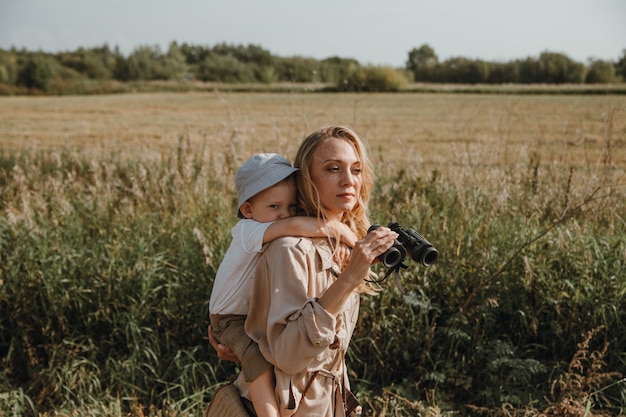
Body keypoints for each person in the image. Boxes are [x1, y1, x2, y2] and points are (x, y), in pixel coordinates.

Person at [212, 126, 399, 416]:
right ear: (306, 181)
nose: (349, 181)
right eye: (333, 169)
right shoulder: (289, 249)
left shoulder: (341, 245)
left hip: (328, 403)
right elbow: (290, 356)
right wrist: (350, 277)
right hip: (290, 407)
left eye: (357, 169)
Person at [208, 152, 358, 417]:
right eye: (275, 207)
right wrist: (340, 230)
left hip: (240, 315)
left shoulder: (266, 226)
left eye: (291, 206)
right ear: (248, 209)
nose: (284, 215)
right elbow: (297, 224)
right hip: (228, 317)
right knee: (259, 367)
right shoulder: (250, 230)